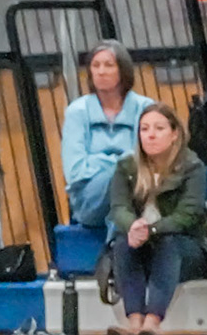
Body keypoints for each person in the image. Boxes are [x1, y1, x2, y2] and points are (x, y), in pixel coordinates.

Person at [106, 106, 207, 335]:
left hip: (186, 247)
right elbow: (118, 208)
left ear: (174, 134)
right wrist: (133, 226)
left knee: (168, 243)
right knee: (123, 244)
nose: (150, 135)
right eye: (144, 129)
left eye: (159, 128)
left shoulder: (192, 167)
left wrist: (150, 230)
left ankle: (152, 323)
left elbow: (187, 215)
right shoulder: (126, 167)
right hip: (142, 244)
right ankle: (134, 323)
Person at [60, 40, 153, 232]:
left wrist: (96, 160)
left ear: (123, 71)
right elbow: (75, 172)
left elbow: (151, 161)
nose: (101, 72)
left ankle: (118, 243)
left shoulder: (145, 108)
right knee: (119, 176)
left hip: (138, 192)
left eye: (109, 65)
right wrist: (121, 163)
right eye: (95, 66)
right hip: (89, 199)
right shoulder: (77, 111)